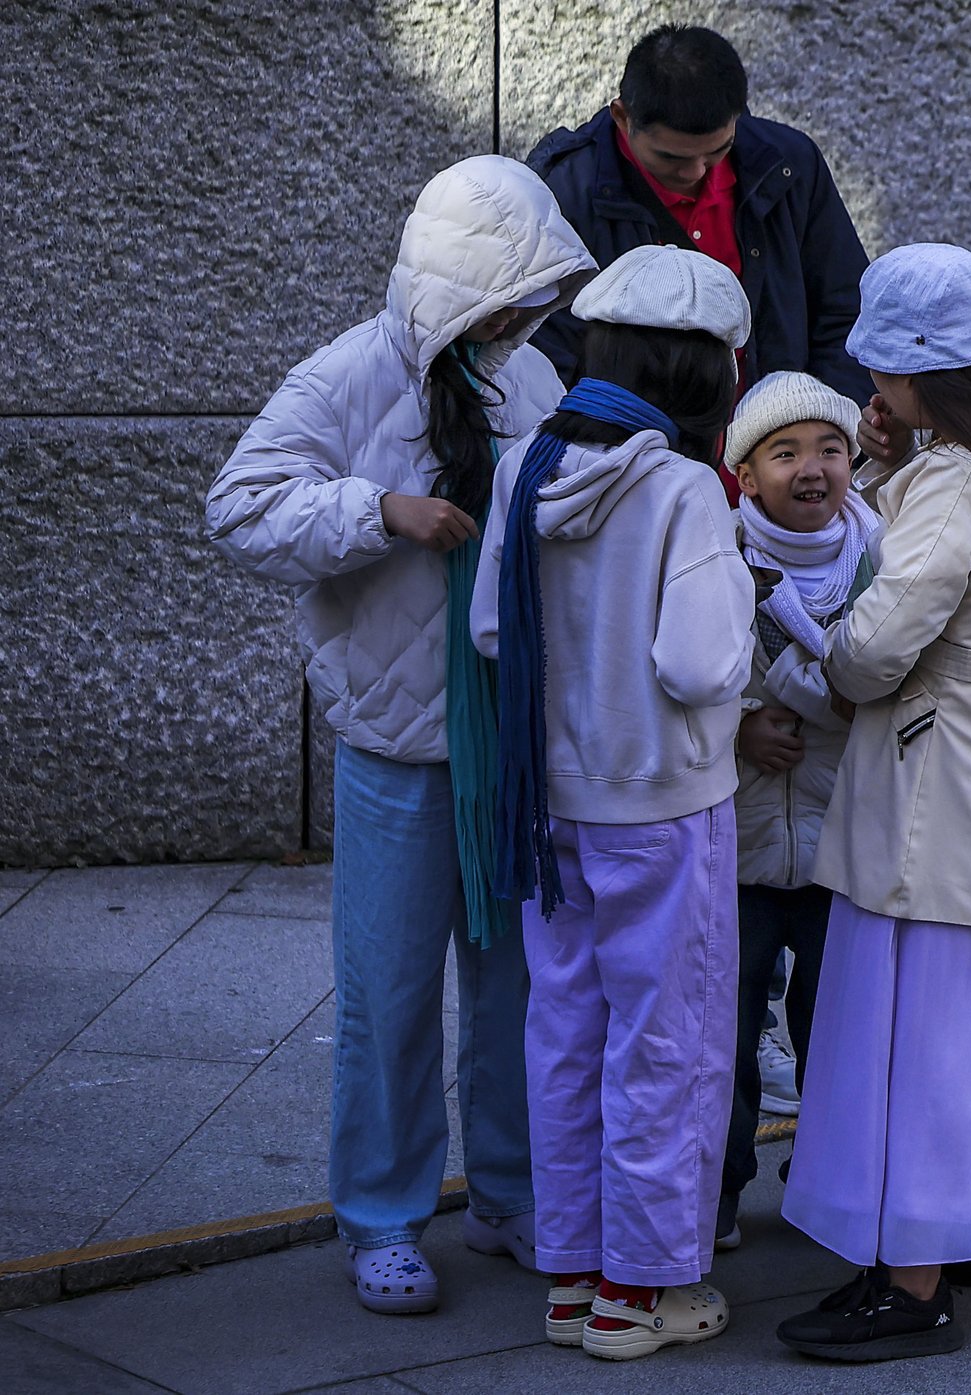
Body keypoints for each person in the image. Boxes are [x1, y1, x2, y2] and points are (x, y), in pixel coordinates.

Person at [205, 156, 597, 1314]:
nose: (523, 324)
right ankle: (380, 1217)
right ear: (454, 291)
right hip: (393, 747)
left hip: (510, 741)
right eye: (506, 302)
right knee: (387, 995)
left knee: (519, 984)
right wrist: (378, 511)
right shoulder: (344, 376)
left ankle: (510, 1197)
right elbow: (238, 504)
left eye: (534, 305)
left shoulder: (523, 375)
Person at [774, 244, 971, 1363]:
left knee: (918, 1040)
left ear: (920, 376)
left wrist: (805, 639)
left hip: (937, 793)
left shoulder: (956, 481)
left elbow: (871, 652)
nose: (871, 396)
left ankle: (908, 1286)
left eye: (881, 377)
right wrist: (886, 469)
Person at [470, 243, 756, 1361]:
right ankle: (640, 1297)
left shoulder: (525, 468)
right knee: (667, 1043)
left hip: (551, 809)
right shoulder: (683, 489)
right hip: (666, 807)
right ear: (702, 377)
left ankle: (571, 1279)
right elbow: (698, 666)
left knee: (565, 1035)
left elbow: (496, 632)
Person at [716, 371, 885, 1253]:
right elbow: (681, 674)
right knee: (726, 1031)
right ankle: (717, 1190)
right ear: (745, 475)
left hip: (841, 849)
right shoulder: (716, 552)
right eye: (785, 453)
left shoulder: (883, 557)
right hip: (737, 851)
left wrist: (803, 697)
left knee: (838, 1030)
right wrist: (740, 727)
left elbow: (884, 691)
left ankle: (825, 1184)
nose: (813, 469)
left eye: (830, 449)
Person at [525, 25, 870, 407]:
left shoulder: (791, 164)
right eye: (671, 157)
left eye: (717, 151)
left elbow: (848, 316)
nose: (696, 174)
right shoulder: (564, 191)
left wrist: (819, 427)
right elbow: (545, 351)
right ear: (622, 118)